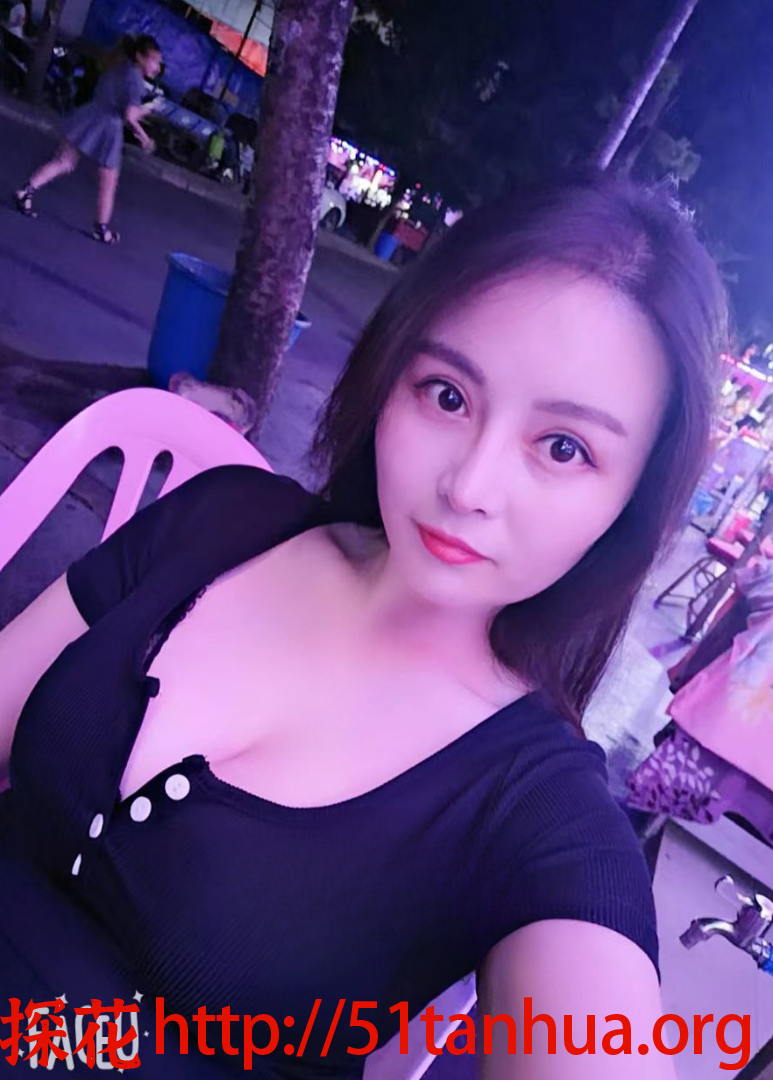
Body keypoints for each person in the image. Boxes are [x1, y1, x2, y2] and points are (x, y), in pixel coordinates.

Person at [0, 173, 726, 1077]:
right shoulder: (219, 519)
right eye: (447, 395)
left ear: (630, 503)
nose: (469, 486)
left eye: (563, 448)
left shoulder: (539, 814)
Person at [14, 34, 161, 244]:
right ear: (139, 56)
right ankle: (101, 229)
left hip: (89, 116)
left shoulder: (117, 64)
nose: (157, 67)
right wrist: (148, 117)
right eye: (154, 61)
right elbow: (130, 116)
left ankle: (26, 191)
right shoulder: (135, 80)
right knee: (108, 183)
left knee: (64, 162)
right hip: (108, 128)